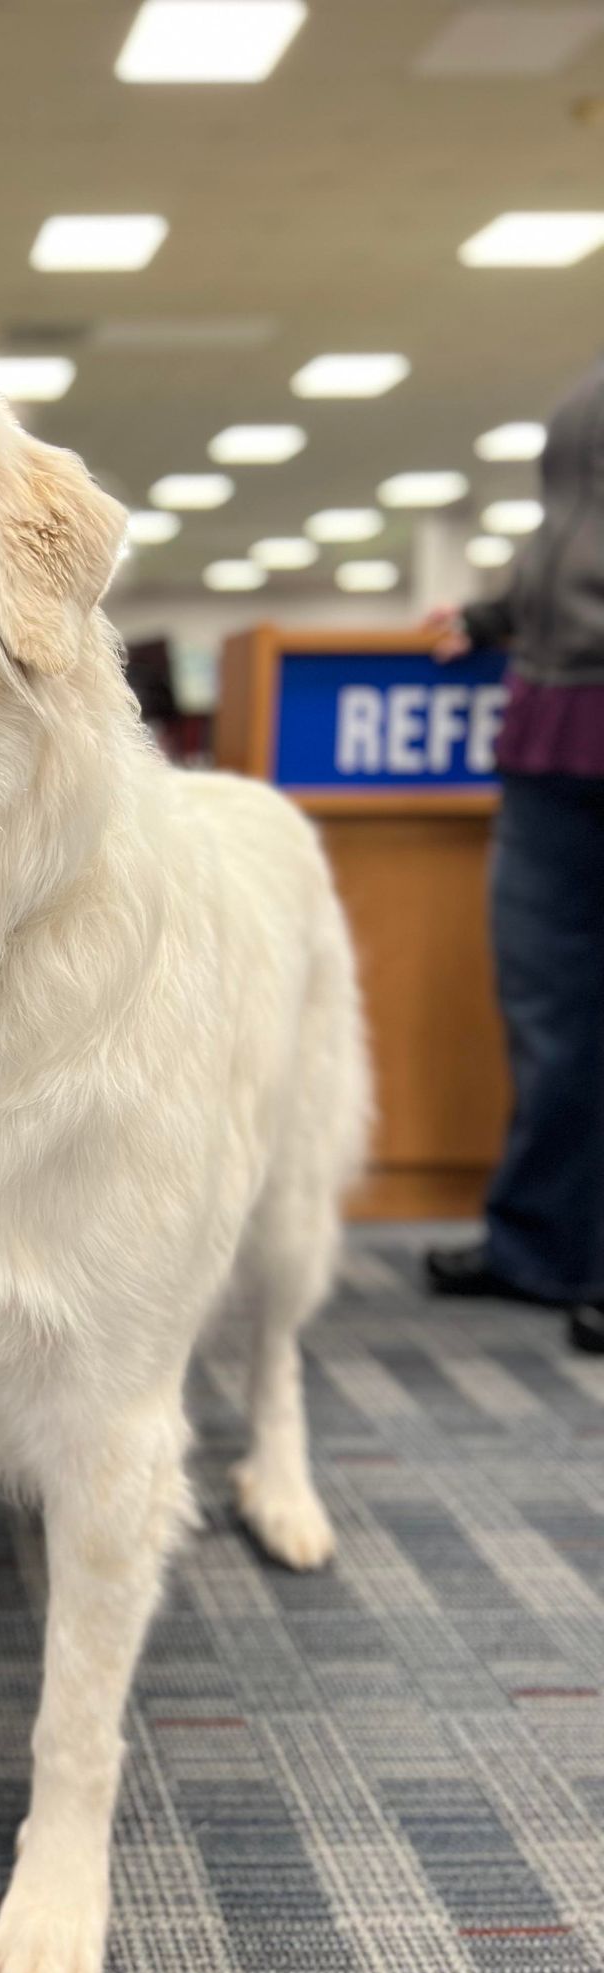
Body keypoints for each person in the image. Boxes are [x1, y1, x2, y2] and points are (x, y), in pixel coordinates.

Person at [424, 352, 604, 1356]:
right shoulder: (585, 390)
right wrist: (493, 615)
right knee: (547, 1001)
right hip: (555, 720)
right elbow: (568, 541)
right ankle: (540, 1242)